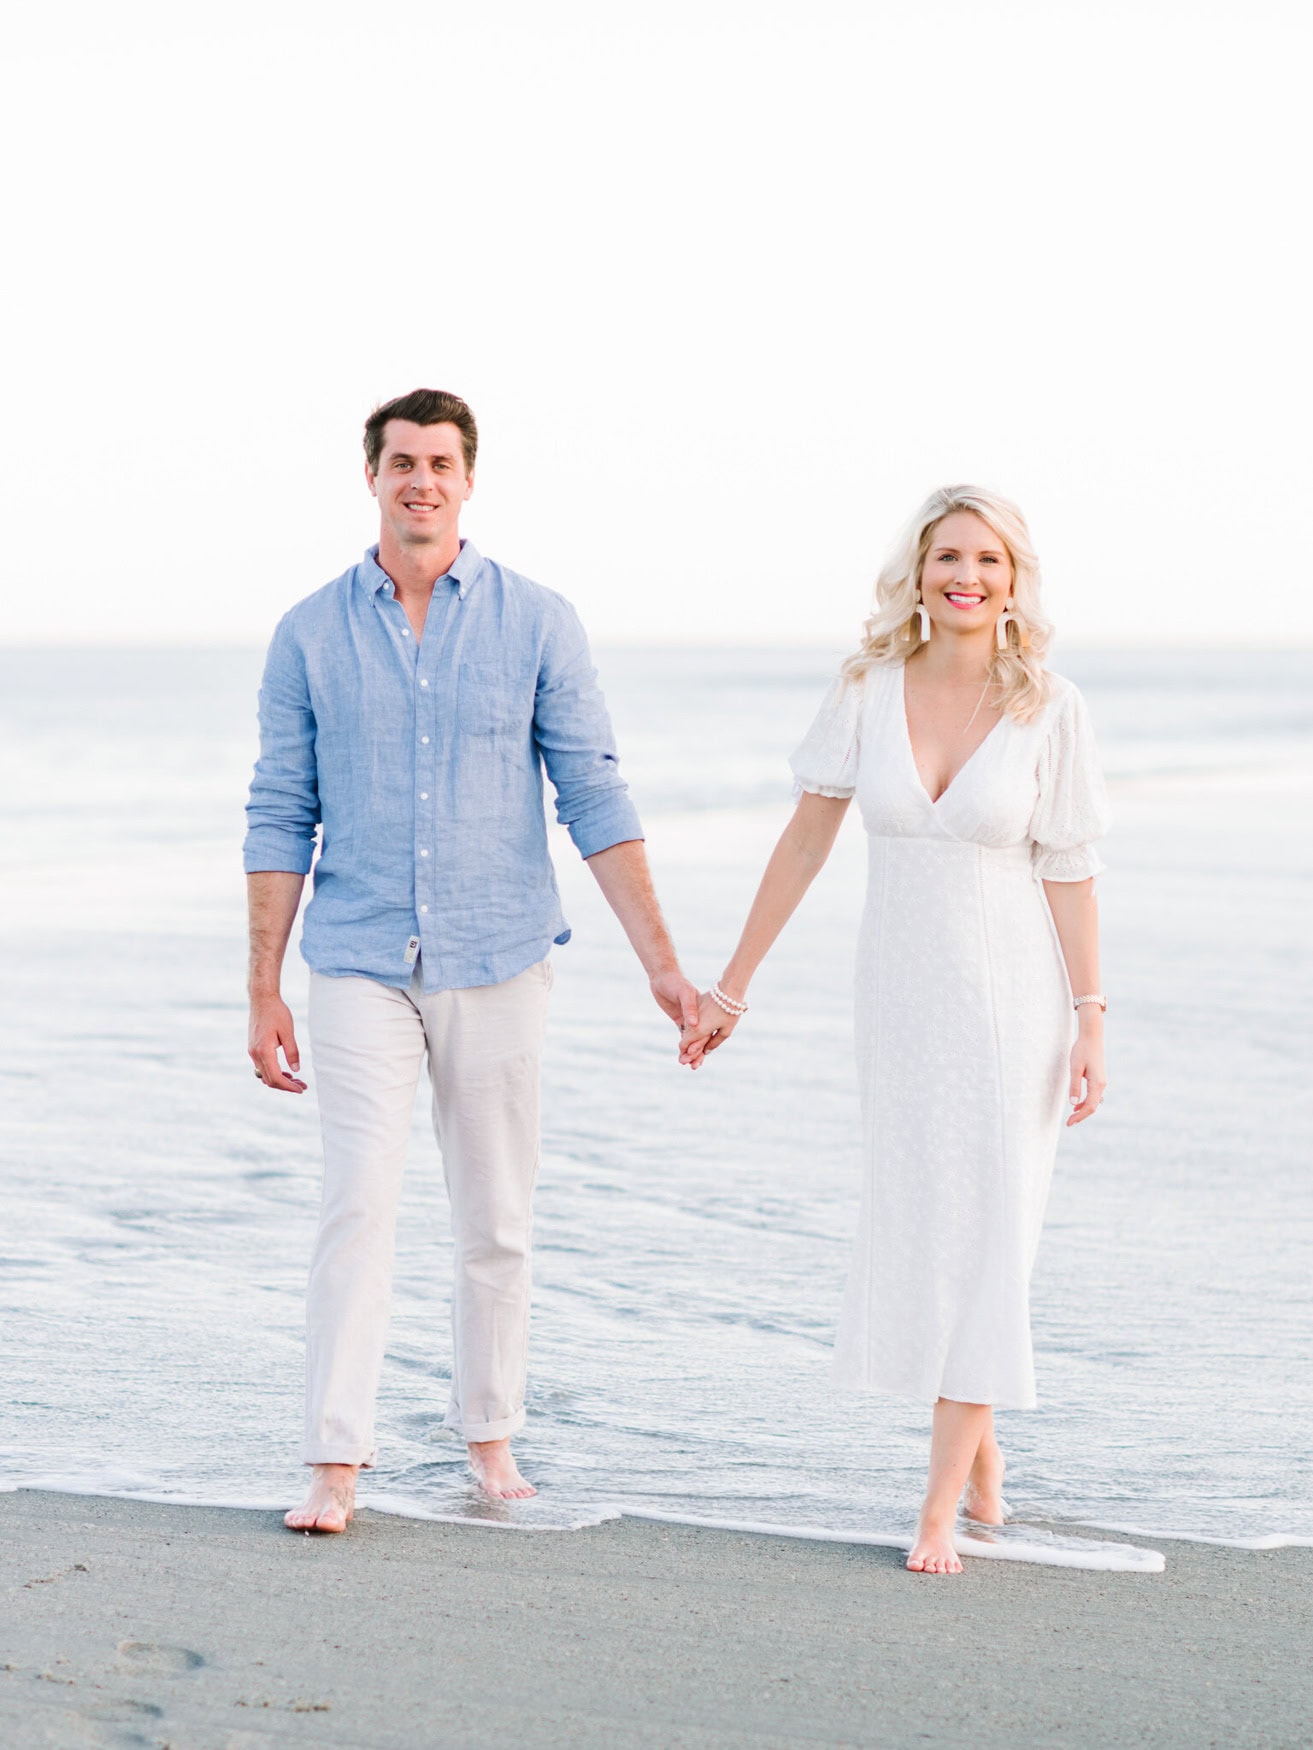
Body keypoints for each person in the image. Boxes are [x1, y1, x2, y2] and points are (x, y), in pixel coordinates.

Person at [244, 388, 699, 1533]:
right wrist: (261, 986)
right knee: (358, 1202)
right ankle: (333, 1460)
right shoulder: (308, 631)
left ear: (468, 479)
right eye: (402, 461)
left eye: (441, 463)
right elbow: (278, 811)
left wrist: (662, 964)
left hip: (498, 955)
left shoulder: (537, 621)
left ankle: (490, 1440)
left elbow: (593, 792)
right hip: (355, 958)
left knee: (495, 1214)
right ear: (372, 476)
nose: (422, 481)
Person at [679, 486, 1110, 1574]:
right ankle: (983, 1446)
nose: (965, 575)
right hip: (901, 1002)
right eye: (946, 556)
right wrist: (731, 984)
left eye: (988, 560)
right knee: (933, 1226)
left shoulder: (1048, 705)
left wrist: (1091, 1016)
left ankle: (934, 1507)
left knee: (990, 1235)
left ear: (1014, 581)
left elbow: (1067, 868)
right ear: (915, 572)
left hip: (1014, 1006)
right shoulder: (866, 687)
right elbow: (803, 844)